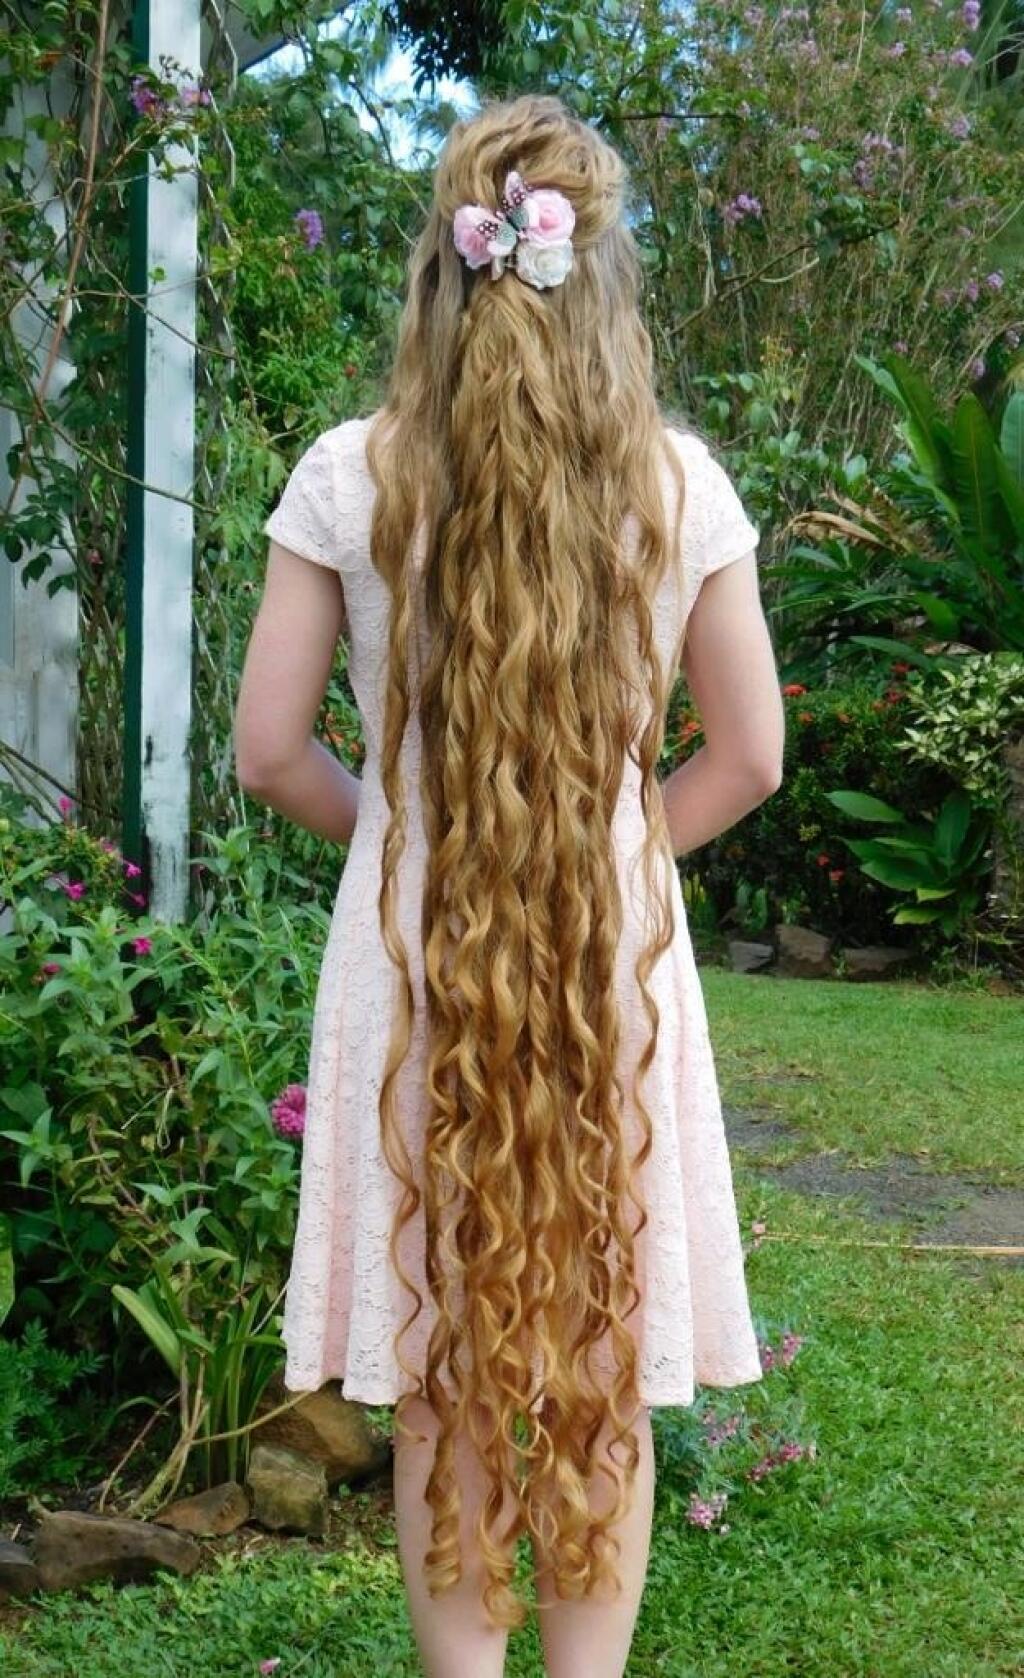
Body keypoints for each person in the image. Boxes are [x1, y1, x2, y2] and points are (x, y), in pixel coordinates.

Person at [235, 91, 785, 1678]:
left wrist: (406, 843)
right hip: (614, 960)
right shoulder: (679, 486)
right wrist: (612, 853)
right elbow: (750, 755)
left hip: (415, 958)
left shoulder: (349, 476)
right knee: (598, 1370)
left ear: (441, 263)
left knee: (446, 1371)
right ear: (600, 272)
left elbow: (269, 750)